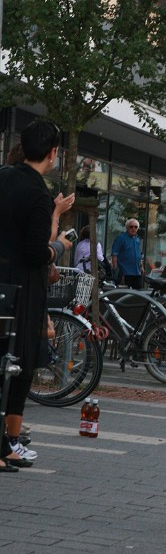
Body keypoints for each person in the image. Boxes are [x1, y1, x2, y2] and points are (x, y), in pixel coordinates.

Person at [0, 120, 73, 469]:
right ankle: (5, 445)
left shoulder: (3, 176)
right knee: (18, 362)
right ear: (52, 153)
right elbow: (34, 252)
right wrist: (57, 247)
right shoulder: (38, 193)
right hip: (22, 290)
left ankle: (6, 446)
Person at [111, 218, 144, 289]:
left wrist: (141, 266)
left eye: (135, 227)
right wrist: (116, 271)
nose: (133, 228)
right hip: (125, 273)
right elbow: (114, 255)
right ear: (127, 227)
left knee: (138, 295)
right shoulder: (120, 238)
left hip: (137, 272)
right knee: (124, 295)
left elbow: (139, 254)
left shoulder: (137, 239)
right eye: (131, 226)